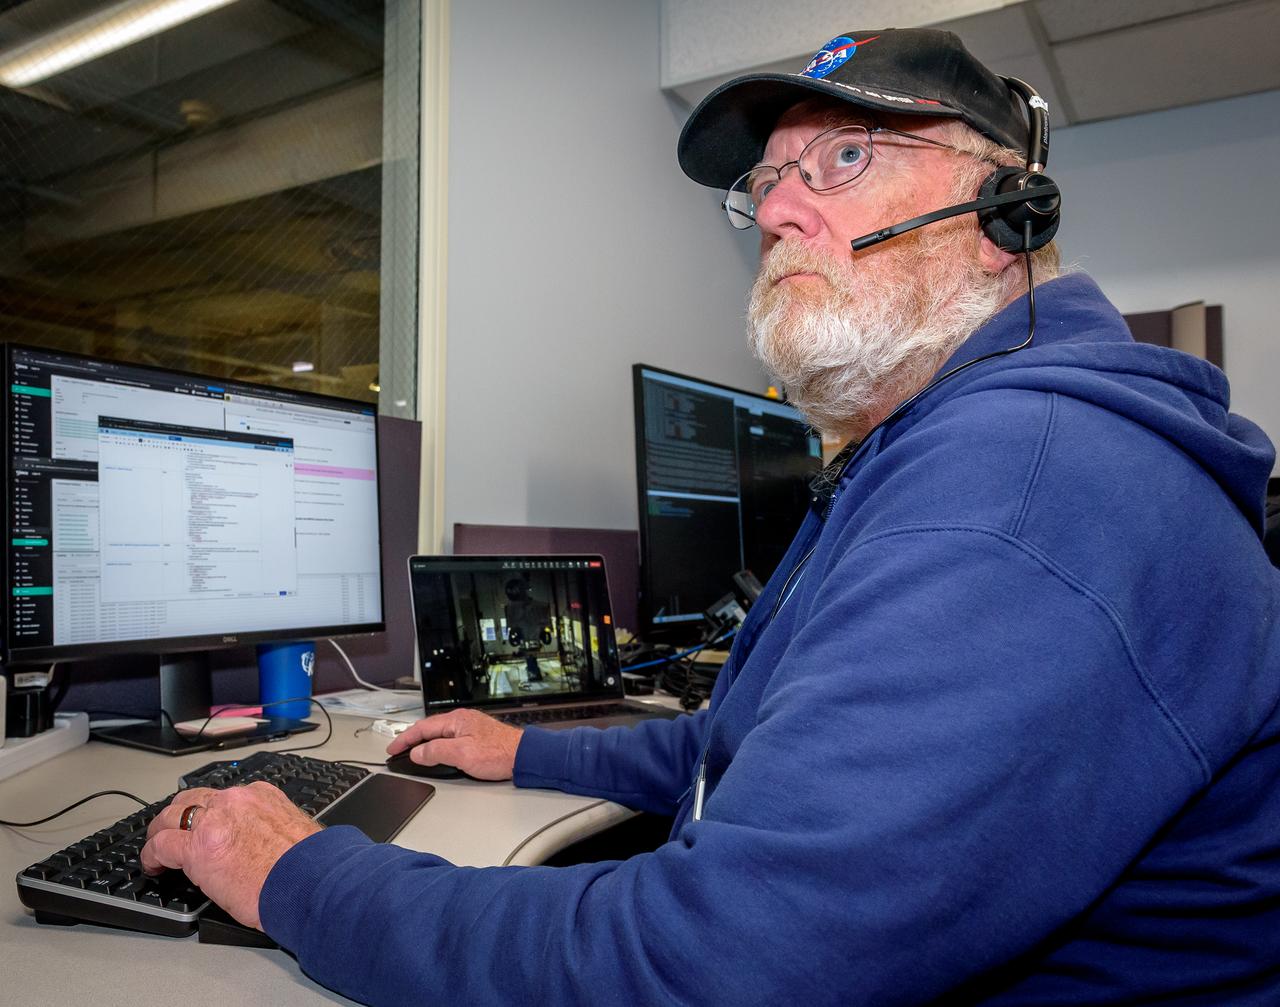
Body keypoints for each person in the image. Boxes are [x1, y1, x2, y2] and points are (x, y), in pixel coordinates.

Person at [141, 28, 1280, 1004]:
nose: (775, 209)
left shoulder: (1015, 493)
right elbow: (746, 744)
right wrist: (525, 746)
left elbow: (710, 966)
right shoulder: (945, 449)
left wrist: (303, 876)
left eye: (841, 158)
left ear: (1001, 212)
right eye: (767, 183)